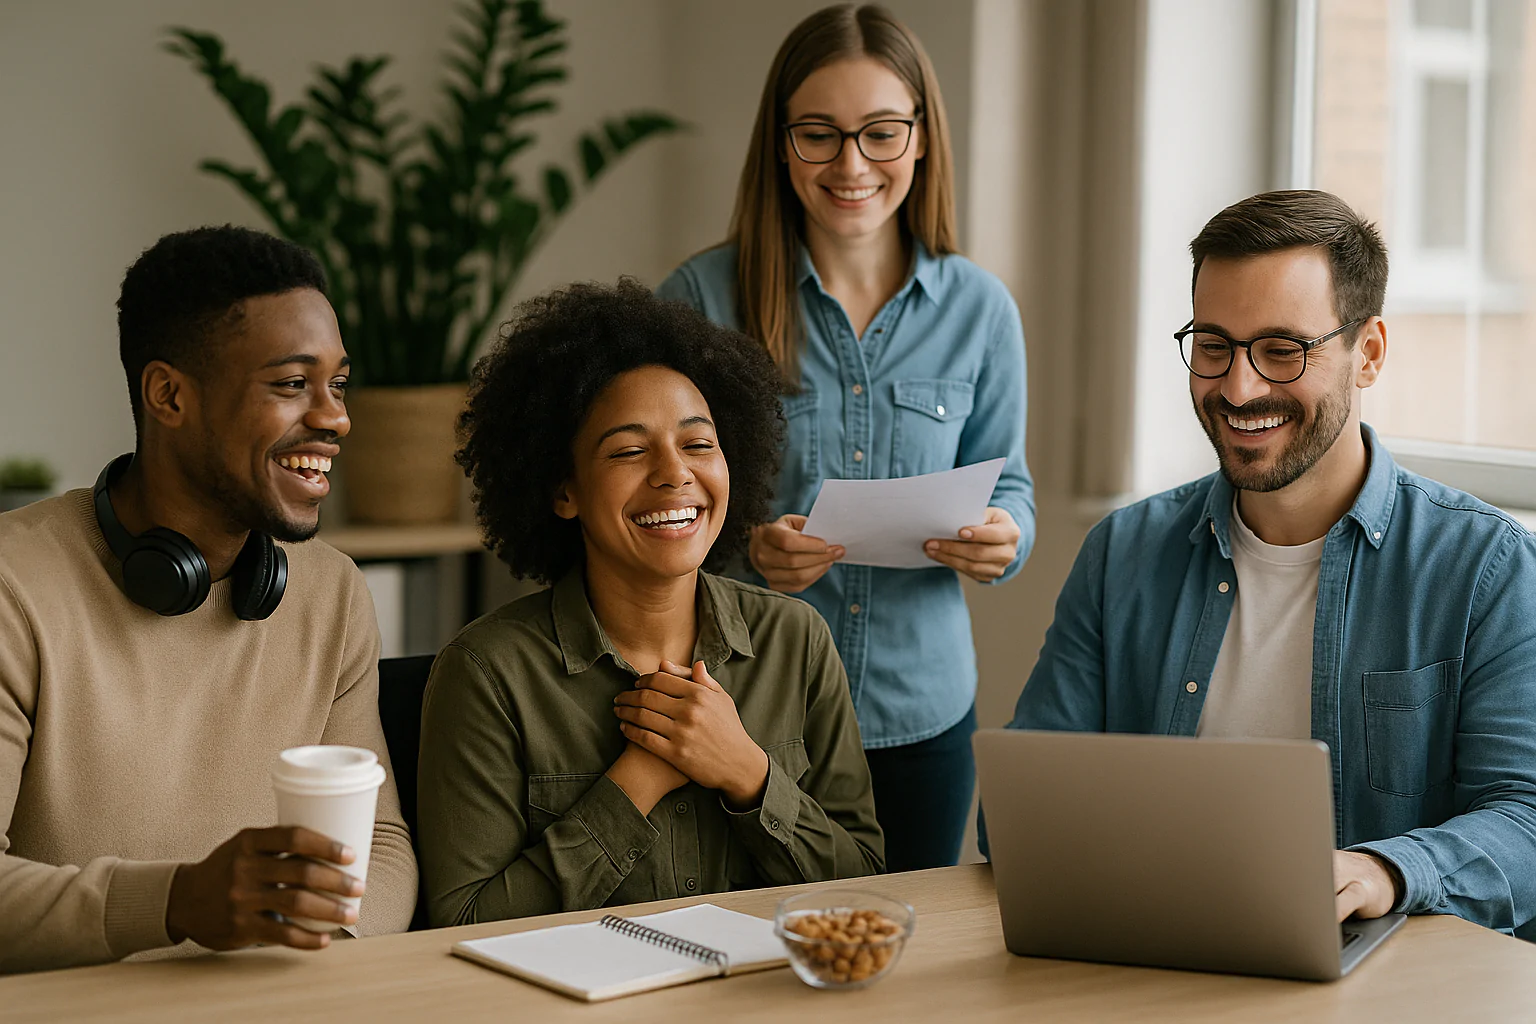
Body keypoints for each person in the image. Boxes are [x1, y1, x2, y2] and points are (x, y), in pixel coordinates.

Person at [997, 190, 1536, 937]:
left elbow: (1527, 820)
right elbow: (1020, 814)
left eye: (1283, 350)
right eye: (1214, 346)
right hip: (1157, 958)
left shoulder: (1484, 566)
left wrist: (1383, 870)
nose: (1240, 387)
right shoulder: (1122, 553)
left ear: (1368, 353)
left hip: (1390, 982)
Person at [656, 3, 1033, 872]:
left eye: (881, 133)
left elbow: (1010, 483)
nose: (851, 164)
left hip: (923, 716)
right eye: (819, 134)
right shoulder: (702, 299)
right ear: (781, 143)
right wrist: (746, 549)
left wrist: (1006, 539)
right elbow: (655, 502)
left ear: (923, 139)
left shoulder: (981, 310)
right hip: (748, 715)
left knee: (902, 970)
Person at [0, 226, 417, 974]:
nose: (335, 417)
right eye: (292, 385)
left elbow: (381, 847)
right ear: (169, 395)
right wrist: (178, 903)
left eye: (338, 384)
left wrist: (315, 943)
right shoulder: (16, 585)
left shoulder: (331, 592)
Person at [417, 280, 883, 926]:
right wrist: (638, 780)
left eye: (698, 444)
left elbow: (866, 886)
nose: (674, 473)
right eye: (631, 451)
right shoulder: (487, 674)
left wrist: (749, 774)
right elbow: (461, 923)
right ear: (563, 490)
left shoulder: (796, 641)